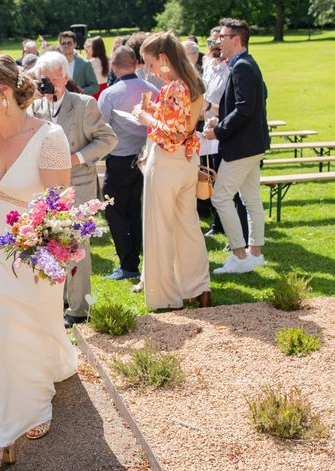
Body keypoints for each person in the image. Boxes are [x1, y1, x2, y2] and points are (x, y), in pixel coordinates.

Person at [0, 54, 77, 471]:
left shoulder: (49, 137)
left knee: (29, 332)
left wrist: (40, 247)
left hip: (34, 249)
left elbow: (59, 210)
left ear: (4, 92)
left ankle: (36, 402)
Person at [32, 51, 117, 328]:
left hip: (78, 184)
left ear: (65, 77)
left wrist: (75, 158)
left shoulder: (83, 104)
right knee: (53, 243)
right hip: (48, 188)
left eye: (55, 79)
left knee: (77, 245)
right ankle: (60, 300)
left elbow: (107, 138)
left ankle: (79, 308)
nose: (51, 85)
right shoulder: (37, 107)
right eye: (45, 79)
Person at [132, 31, 211, 310]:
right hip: (188, 163)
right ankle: (199, 288)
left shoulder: (174, 87)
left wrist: (145, 117)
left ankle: (166, 297)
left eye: (151, 64)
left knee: (159, 229)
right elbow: (184, 121)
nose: (151, 72)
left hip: (166, 162)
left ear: (163, 58)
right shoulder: (193, 82)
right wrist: (155, 109)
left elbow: (173, 131)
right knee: (188, 227)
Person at [204, 18, 269, 274]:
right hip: (253, 144)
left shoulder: (242, 66)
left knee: (221, 197)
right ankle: (255, 253)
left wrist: (217, 131)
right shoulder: (246, 64)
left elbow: (244, 109)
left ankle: (240, 256)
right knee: (251, 199)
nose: (218, 42)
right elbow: (252, 103)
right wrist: (220, 120)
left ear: (236, 39)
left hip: (242, 147)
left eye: (222, 37)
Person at [98, 46, 158, 282]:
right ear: (136, 63)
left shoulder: (111, 94)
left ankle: (128, 262)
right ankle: (134, 257)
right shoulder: (153, 89)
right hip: (145, 157)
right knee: (134, 207)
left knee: (114, 208)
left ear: (113, 67)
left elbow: (100, 126)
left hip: (120, 159)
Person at [58, 31, 98, 96]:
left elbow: (94, 86)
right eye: (63, 43)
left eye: (69, 43)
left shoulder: (85, 64)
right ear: (60, 46)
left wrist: (79, 91)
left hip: (79, 102)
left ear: (75, 45)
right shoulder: (56, 65)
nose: (66, 46)